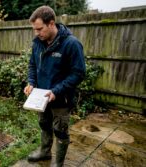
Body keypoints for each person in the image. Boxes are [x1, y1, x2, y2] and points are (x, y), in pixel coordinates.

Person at [23, 6, 86, 167]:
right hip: (41, 98)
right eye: (34, 29)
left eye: (39, 29)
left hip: (61, 98)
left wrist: (56, 91)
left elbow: (78, 73)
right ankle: (44, 152)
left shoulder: (71, 44)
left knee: (60, 131)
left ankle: (58, 163)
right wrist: (31, 83)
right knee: (44, 124)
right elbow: (32, 65)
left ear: (51, 23)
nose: (36, 33)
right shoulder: (38, 42)